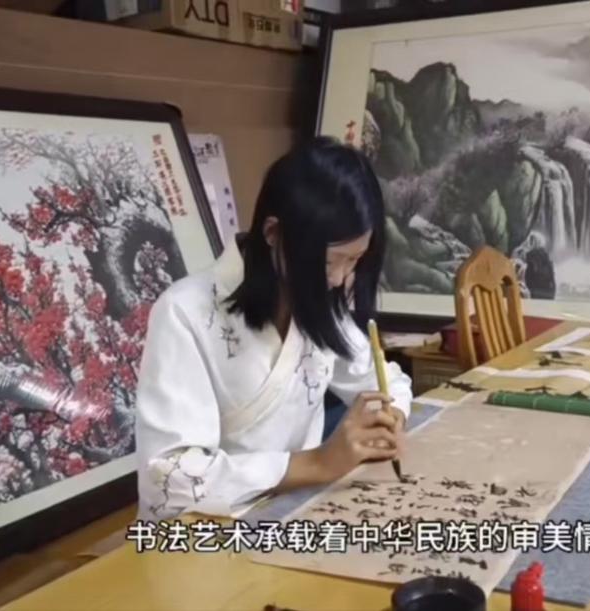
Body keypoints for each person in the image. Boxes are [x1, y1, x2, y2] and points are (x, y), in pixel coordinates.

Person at [134, 137, 413, 521]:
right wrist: (318, 463)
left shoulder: (320, 301)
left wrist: (390, 417)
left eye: (354, 261)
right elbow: (171, 477)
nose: (339, 279)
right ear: (273, 234)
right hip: (204, 529)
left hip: (294, 510)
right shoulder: (184, 312)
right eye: (329, 262)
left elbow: (386, 381)